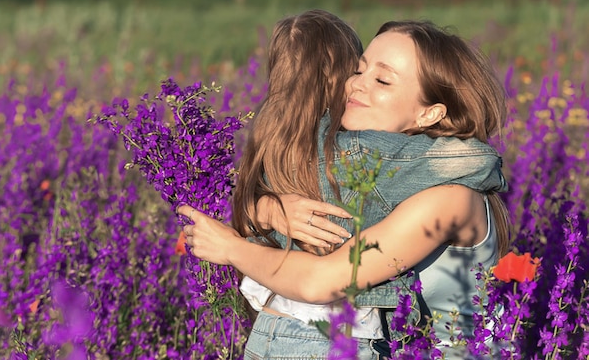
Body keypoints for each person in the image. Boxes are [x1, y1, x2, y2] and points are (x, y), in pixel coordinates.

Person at [179, 19, 510, 359]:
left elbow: (322, 282)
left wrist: (231, 249)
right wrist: (269, 209)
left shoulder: (450, 196)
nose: (356, 86)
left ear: (430, 114)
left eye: (381, 80)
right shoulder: (365, 166)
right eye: (357, 70)